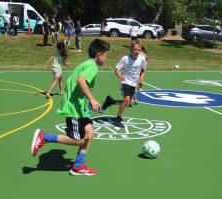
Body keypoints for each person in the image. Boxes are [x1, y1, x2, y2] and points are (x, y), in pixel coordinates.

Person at [31, 39, 110, 176]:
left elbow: (72, 81)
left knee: (89, 133)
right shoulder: (92, 67)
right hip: (75, 109)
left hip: (80, 107)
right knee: (78, 140)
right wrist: (91, 99)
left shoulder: (86, 64)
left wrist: (86, 102)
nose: (107, 58)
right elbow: (80, 80)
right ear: (99, 54)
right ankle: (44, 137)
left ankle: (78, 166)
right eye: (106, 55)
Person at [101, 40, 147, 128]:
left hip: (134, 83)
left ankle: (110, 101)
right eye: (135, 49)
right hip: (125, 82)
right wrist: (120, 76)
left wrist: (141, 78)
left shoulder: (142, 59)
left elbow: (143, 69)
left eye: (138, 49)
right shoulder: (125, 59)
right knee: (126, 100)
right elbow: (116, 70)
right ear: (131, 49)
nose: (137, 51)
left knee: (128, 103)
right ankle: (118, 119)